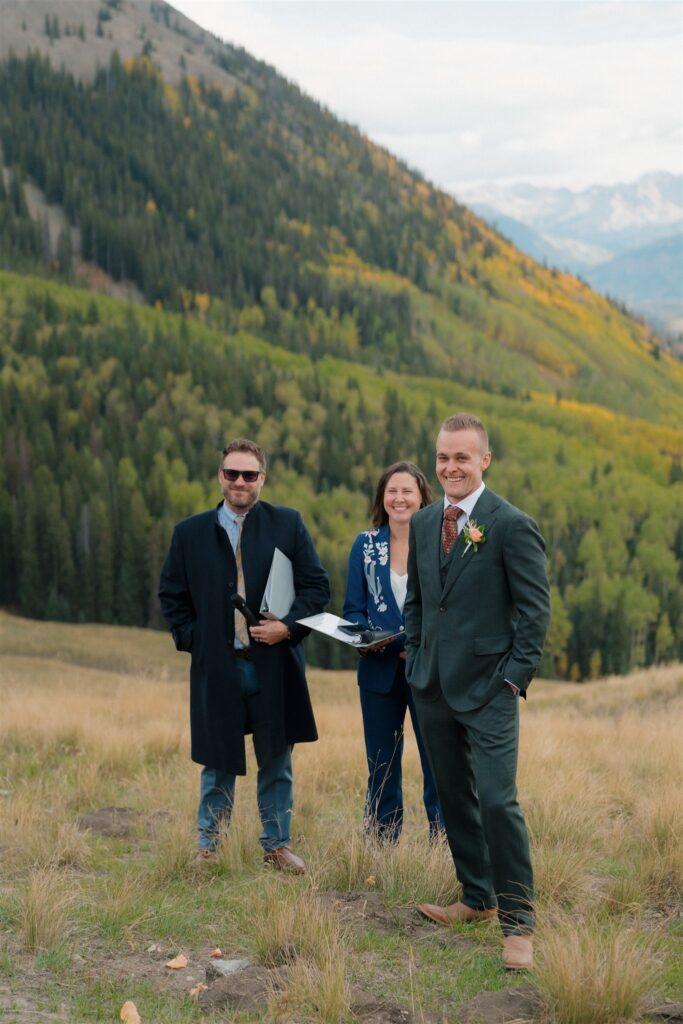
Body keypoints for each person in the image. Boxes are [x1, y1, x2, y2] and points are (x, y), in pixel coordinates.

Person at [404, 413, 550, 971]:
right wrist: (417, 657)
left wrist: (513, 679)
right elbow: (419, 602)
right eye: (443, 457)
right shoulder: (423, 522)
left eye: (461, 457)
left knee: (496, 800)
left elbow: (535, 613)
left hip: (491, 689)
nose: (450, 467)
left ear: (484, 460)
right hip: (433, 685)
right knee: (452, 795)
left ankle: (518, 925)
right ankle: (476, 896)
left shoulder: (511, 524)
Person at [159, 438, 329, 873]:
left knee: (277, 758)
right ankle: (209, 849)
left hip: (274, 665)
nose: (239, 481)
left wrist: (287, 628)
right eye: (232, 473)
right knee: (218, 758)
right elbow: (172, 597)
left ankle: (276, 847)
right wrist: (198, 641)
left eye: (249, 474)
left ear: (262, 478)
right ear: (220, 476)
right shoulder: (189, 532)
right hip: (218, 667)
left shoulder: (287, 524)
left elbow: (316, 588)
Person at [343, 461, 443, 843]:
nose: (399, 499)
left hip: (429, 672)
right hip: (378, 671)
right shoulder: (364, 544)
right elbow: (353, 610)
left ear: (422, 498)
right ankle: (382, 841)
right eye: (392, 491)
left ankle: (444, 841)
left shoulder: (439, 544)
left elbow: (449, 610)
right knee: (381, 763)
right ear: (382, 497)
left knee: (438, 761)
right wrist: (366, 636)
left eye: (407, 491)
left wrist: (422, 645)